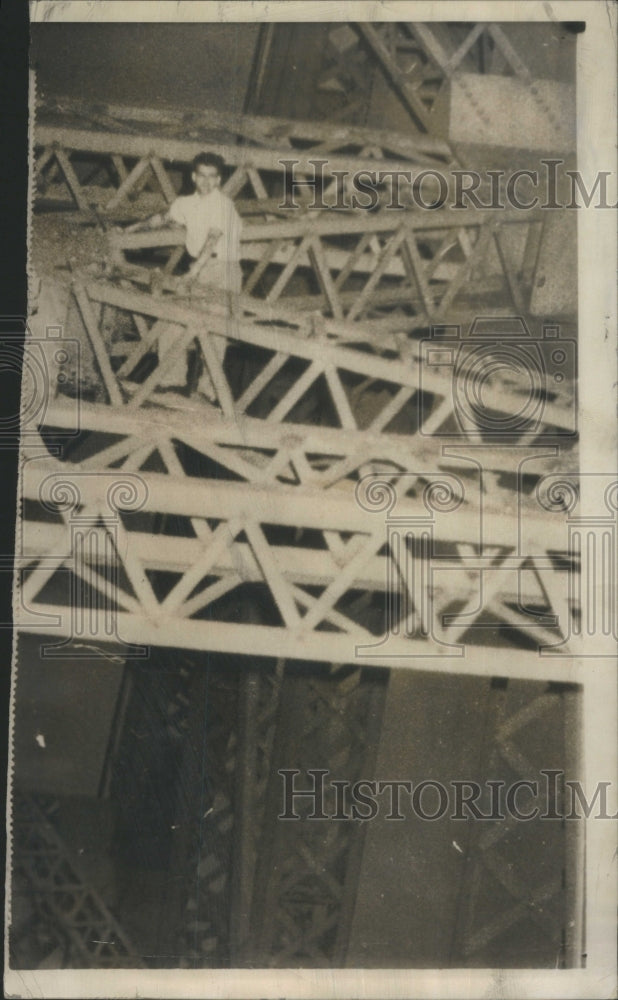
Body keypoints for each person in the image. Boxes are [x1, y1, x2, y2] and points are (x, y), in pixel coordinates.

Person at [127, 152, 242, 399]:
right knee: (172, 320)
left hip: (223, 269)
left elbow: (213, 240)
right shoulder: (185, 204)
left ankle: (208, 390)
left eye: (212, 177)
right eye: (202, 176)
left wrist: (192, 273)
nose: (207, 182)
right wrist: (128, 230)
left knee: (214, 329)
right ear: (194, 176)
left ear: (219, 180)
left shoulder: (224, 205)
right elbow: (160, 219)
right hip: (200, 269)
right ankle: (171, 380)